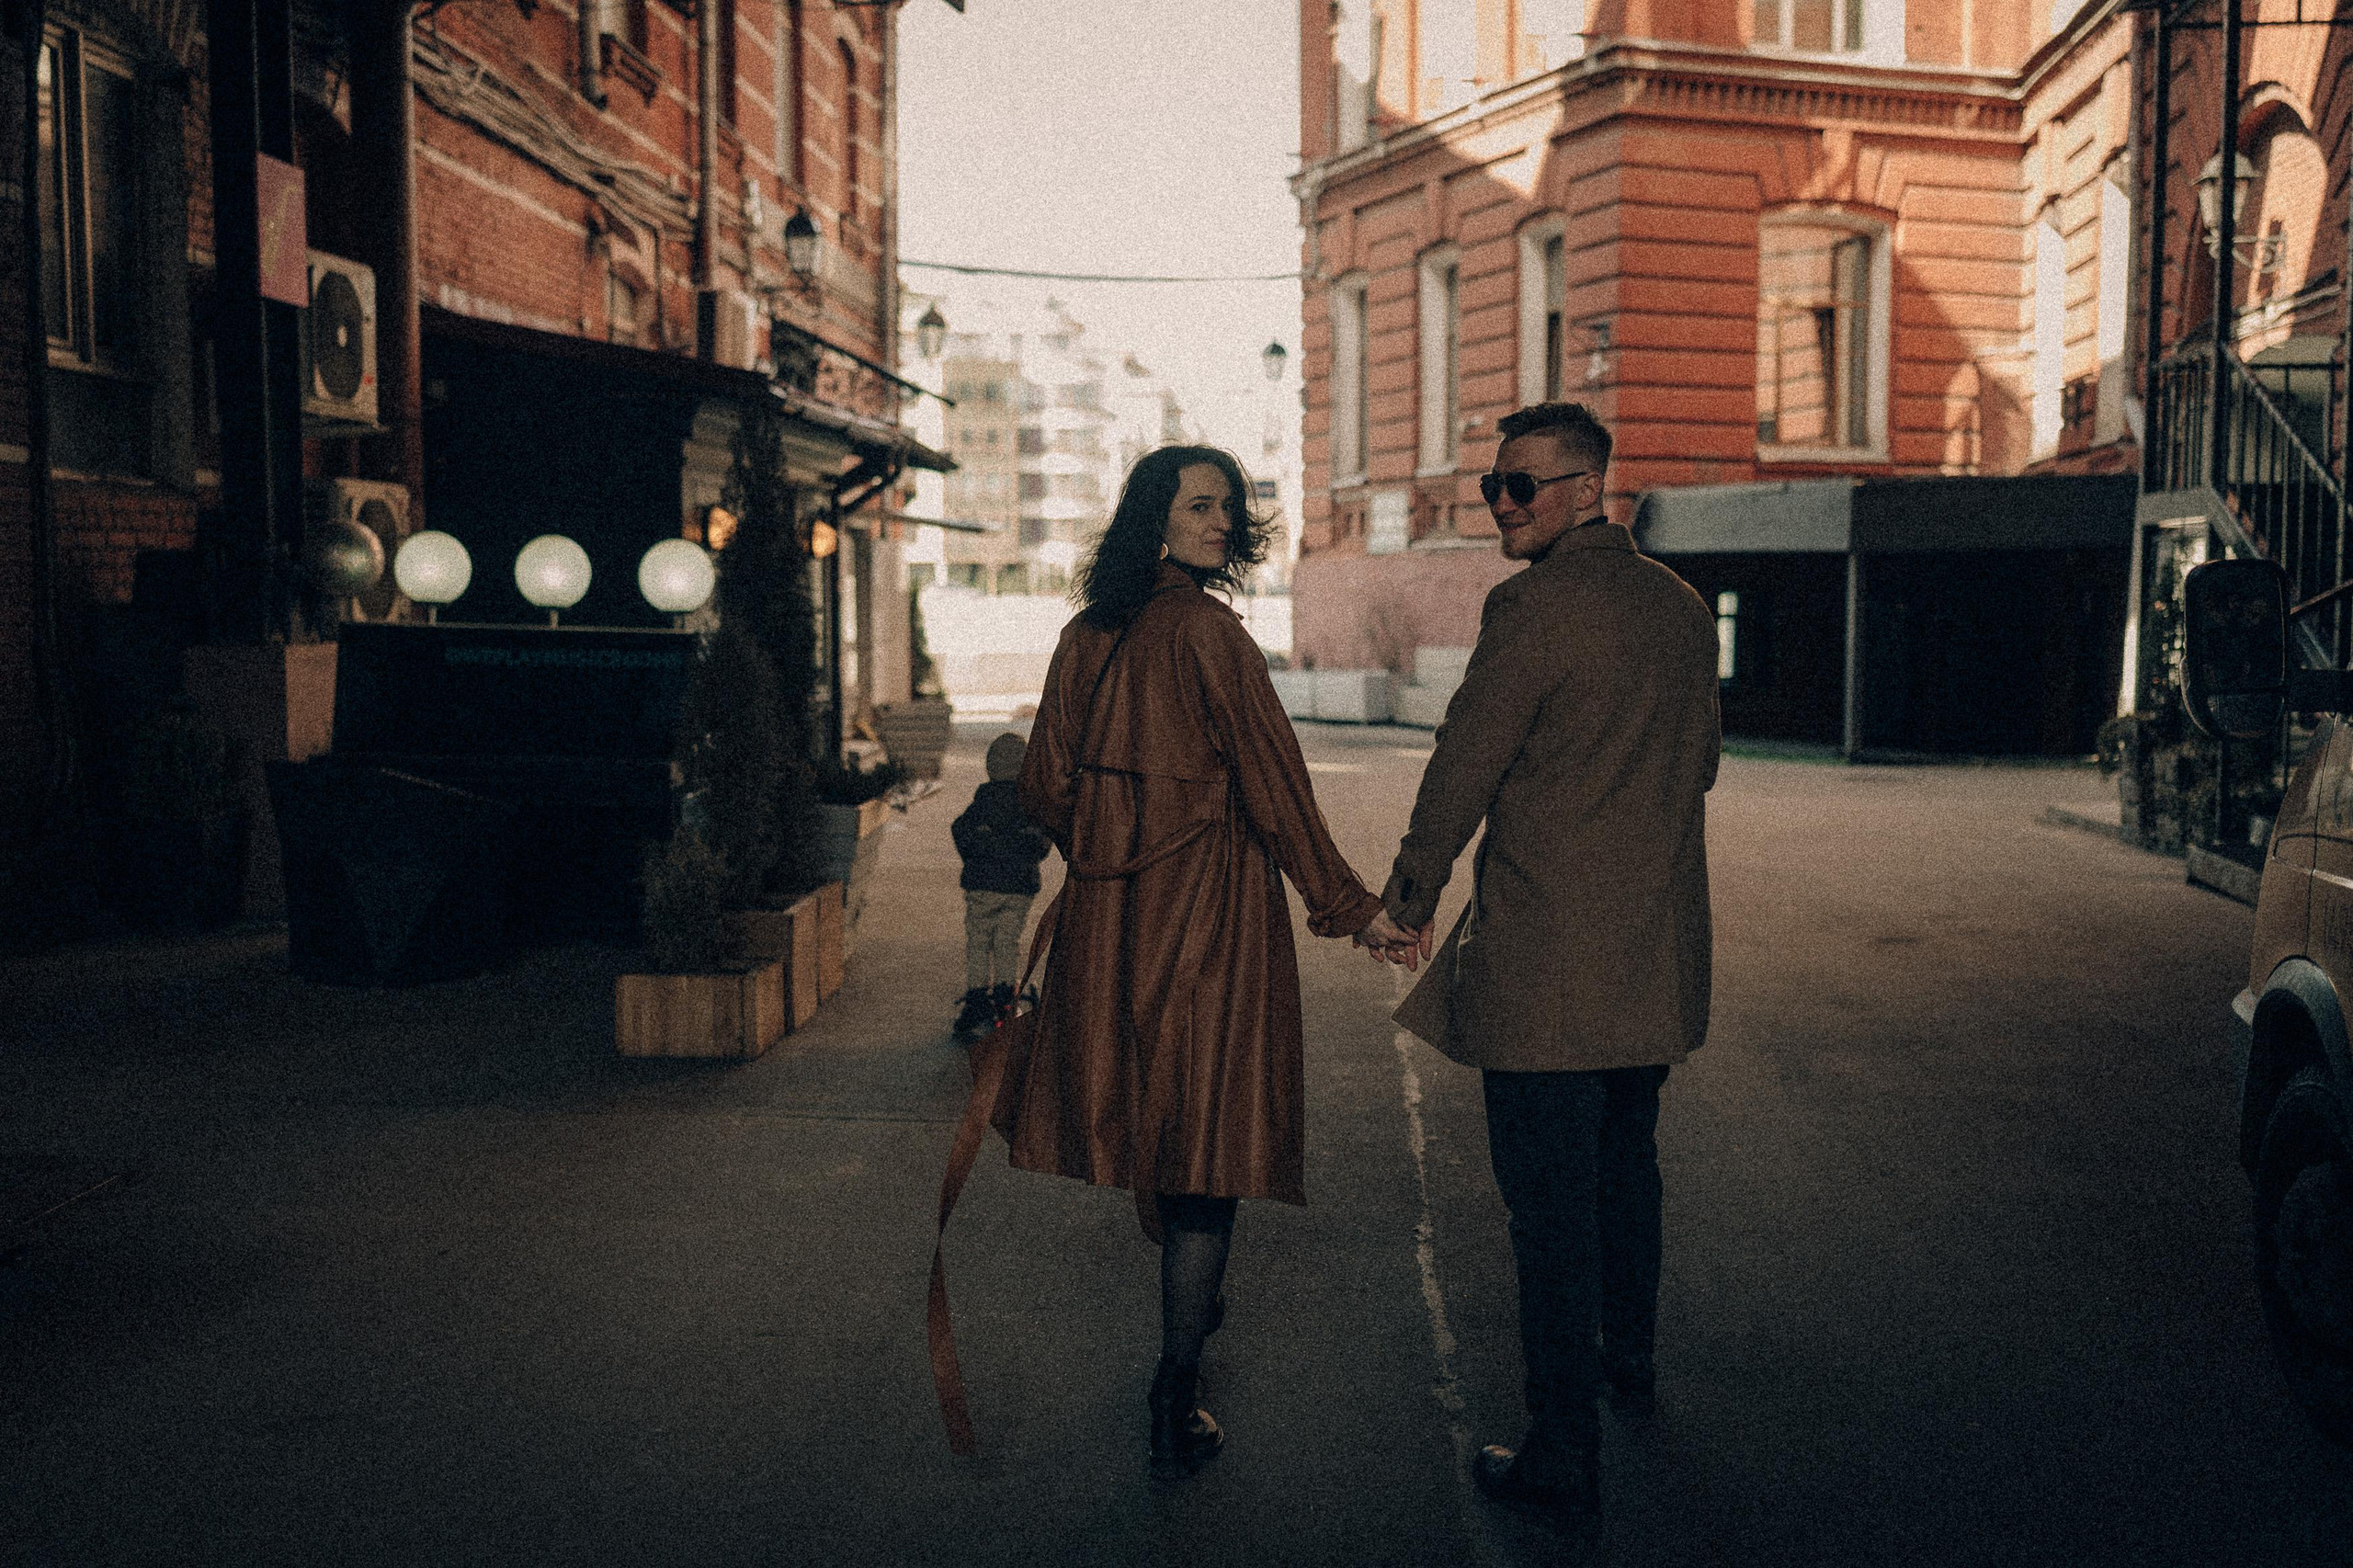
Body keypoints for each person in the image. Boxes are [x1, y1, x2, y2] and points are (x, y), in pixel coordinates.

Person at [977, 443, 1416, 1473]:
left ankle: (1186, 1316)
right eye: (1203, 505)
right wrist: (1357, 910)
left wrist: (1110, 837)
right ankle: (1176, 1386)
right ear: (1157, 521)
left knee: (1148, 1109)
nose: (1224, 521)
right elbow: (1276, 790)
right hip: (1211, 916)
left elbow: (1042, 781)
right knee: (1206, 1143)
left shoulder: (1086, 633)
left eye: (1232, 505)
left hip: (1108, 918)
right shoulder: (1213, 637)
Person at [1368, 402, 1720, 1529]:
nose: (1501, 507)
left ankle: (1560, 1447)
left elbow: (1465, 758)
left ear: (1585, 489)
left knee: (1548, 1207)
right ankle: (1632, 1358)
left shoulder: (1529, 608)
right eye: (1494, 486)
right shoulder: (1678, 607)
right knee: (1627, 1160)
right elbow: (1701, 762)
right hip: (1650, 952)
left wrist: (1409, 894)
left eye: (1522, 486)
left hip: (1544, 961)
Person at [948, 732, 1051, 1042]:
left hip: (982, 886)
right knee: (1007, 940)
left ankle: (977, 999)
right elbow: (1041, 843)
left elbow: (960, 830)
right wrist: (1021, 854)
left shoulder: (983, 801)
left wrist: (979, 854)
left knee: (979, 941)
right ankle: (1007, 997)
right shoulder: (1029, 803)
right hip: (1018, 888)